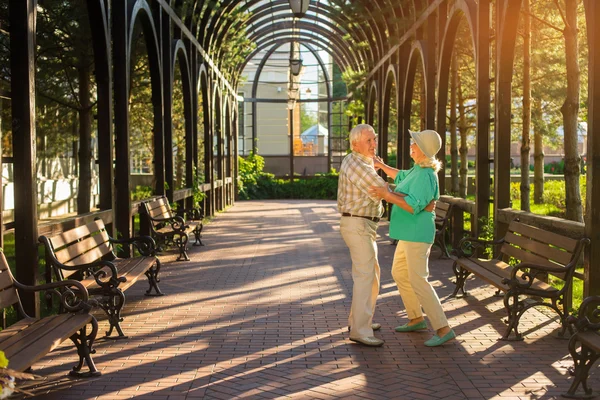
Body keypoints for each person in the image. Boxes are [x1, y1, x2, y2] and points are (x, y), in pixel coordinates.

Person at [368, 129, 456, 347]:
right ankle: (416, 318)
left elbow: (412, 205)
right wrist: (381, 167)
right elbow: (401, 177)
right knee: (399, 273)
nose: (410, 145)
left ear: (423, 150)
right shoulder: (418, 170)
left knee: (418, 279)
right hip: (409, 233)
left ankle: (443, 328)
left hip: (418, 233)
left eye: (414, 143)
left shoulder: (426, 176)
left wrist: (387, 195)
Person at [337, 124, 387, 347]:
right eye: (369, 140)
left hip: (364, 226)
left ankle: (360, 321)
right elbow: (378, 187)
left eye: (374, 139)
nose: (374, 144)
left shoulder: (362, 162)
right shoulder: (354, 162)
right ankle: (360, 330)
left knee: (371, 274)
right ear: (355, 143)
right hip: (357, 225)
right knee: (365, 276)